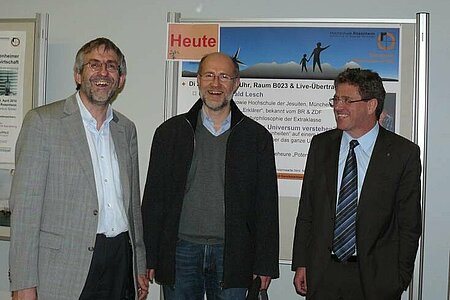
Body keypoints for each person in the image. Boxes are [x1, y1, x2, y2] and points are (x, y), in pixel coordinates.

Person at [9, 37, 148, 300]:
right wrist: (23, 282)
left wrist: (138, 263)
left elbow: (132, 208)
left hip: (119, 259)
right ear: (77, 74)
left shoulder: (126, 129)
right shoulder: (43, 122)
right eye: (93, 65)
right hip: (65, 265)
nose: (103, 73)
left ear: (121, 78)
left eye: (111, 66)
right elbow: (25, 210)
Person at [141, 52, 279, 300]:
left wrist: (265, 263)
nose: (216, 84)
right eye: (209, 76)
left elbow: (266, 205)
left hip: (234, 253)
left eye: (224, 76)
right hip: (180, 250)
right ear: (198, 80)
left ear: (236, 83)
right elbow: (154, 200)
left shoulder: (257, 138)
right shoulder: (170, 133)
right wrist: (149, 256)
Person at [292, 68, 422, 300]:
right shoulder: (321, 145)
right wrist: (302, 262)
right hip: (323, 273)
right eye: (336, 99)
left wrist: (399, 278)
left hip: (376, 278)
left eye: (347, 100)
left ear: (371, 105)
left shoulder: (403, 153)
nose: (338, 107)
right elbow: (307, 210)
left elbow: (409, 224)